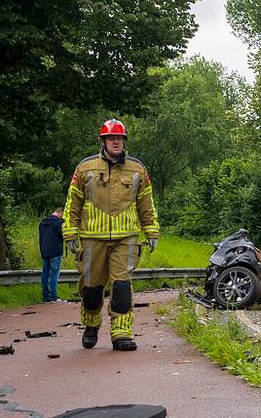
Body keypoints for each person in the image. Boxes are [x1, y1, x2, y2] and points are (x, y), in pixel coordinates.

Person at [63, 119, 159, 352]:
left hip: (125, 238)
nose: (116, 141)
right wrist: (69, 231)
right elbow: (73, 202)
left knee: (122, 287)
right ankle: (91, 324)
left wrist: (151, 230)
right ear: (103, 141)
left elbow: (146, 202)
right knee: (91, 288)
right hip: (91, 238)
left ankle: (121, 333)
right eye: (111, 138)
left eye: (120, 138)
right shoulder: (85, 168)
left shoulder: (137, 169)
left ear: (124, 141)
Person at [38, 207, 64, 302]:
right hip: (55, 251)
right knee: (54, 273)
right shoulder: (58, 222)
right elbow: (62, 236)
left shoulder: (42, 222)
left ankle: (46, 296)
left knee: (45, 273)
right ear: (60, 213)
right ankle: (53, 296)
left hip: (44, 251)